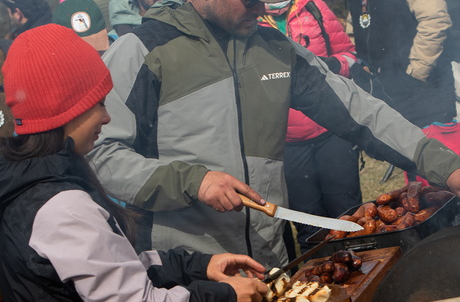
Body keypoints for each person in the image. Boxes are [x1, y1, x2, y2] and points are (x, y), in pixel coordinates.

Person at [90, 0, 460, 270]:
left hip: (270, 258)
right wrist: (191, 181)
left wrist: (444, 164)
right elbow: (99, 155)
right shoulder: (142, 50)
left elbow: (359, 110)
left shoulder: (275, 49)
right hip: (186, 264)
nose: (261, 9)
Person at [0, 23, 268, 301]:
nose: (107, 117)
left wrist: (198, 267)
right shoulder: (62, 208)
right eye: (99, 103)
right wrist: (225, 295)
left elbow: (111, 265)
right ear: (68, 109)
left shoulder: (29, 179)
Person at [337, 0, 460, 185]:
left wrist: (415, 74)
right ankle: (433, 220)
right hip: (389, 88)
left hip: (426, 86)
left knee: (445, 165)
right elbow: (355, 29)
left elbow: (434, 19)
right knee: (414, 167)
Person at [258, 0, 361, 252]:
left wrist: (335, 65)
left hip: (333, 131)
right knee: (311, 229)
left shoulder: (312, 5)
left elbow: (351, 55)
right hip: (285, 144)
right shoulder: (248, 19)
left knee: (350, 218)